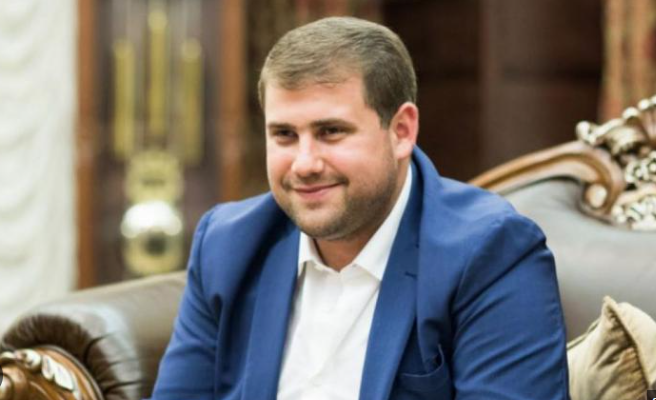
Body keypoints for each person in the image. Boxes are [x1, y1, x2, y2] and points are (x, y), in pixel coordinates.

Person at [150, 16, 569, 400]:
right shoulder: (227, 244)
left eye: (331, 131)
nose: (304, 164)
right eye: (284, 135)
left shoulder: (492, 253)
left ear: (401, 131)